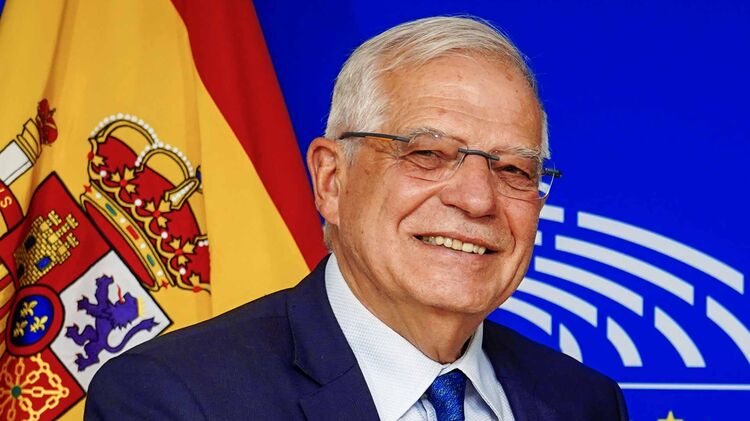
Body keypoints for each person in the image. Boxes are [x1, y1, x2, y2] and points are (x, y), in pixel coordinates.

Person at [86, 16, 628, 420]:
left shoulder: (583, 402)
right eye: (428, 154)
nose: (477, 199)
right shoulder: (176, 398)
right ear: (331, 180)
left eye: (512, 169)